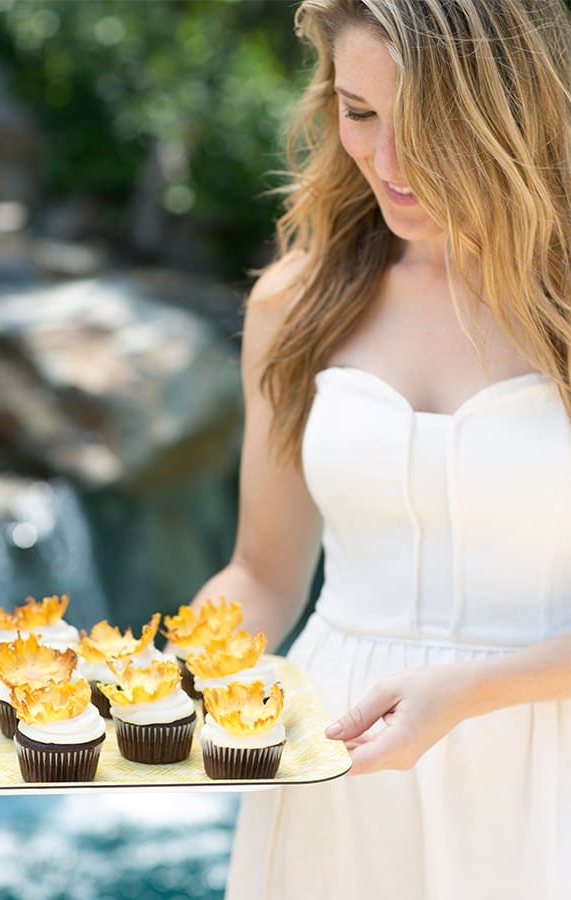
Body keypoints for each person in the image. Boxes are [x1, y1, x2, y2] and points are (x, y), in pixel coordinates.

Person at [184, 0, 571, 897]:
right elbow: (264, 572)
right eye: (360, 113)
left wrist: (468, 693)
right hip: (332, 770)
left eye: (430, 128)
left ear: (512, 112)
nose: (388, 165)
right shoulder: (295, 301)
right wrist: (160, 684)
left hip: (545, 767)